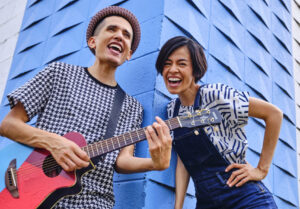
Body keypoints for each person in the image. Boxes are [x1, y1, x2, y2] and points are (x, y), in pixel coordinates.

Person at [0, 6, 172, 209]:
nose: (119, 36)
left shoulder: (132, 107)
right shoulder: (59, 73)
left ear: (129, 54)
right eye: (112, 29)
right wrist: (54, 143)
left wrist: (154, 164)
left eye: (126, 35)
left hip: (93, 202)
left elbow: (121, 161)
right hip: (34, 196)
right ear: (93, 41)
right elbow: (8, 124)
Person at [155, 36, 282, 209]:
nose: (172, 70)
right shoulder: (172, 111)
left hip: (245, 198)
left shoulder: (214, 95)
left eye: (182, 64)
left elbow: (274, 114)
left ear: (195, 69)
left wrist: (261, 169)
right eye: (167, 63)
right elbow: (185, 159)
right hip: (207, 202)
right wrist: (178, 205)